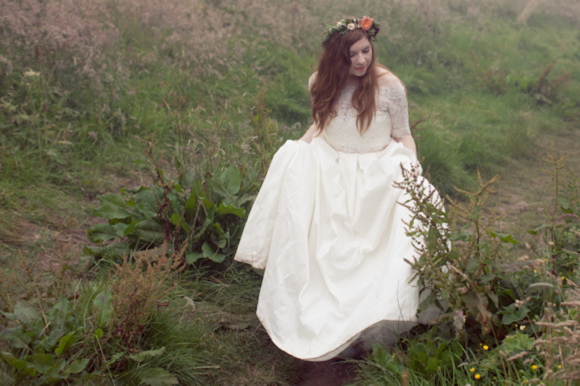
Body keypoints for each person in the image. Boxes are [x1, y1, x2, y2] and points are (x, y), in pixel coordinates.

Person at [235, 16, 437, 361]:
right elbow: (320, 124)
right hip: (330, 167)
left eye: (365, 51)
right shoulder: (320, 82)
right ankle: (312, 310)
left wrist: (412, 168)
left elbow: (402, 133)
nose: (360, 61)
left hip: (376, 170)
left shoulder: (390, 86)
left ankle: (373, 314)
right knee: (325, 244)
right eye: (351, 56)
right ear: (335, 59)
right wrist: (296, 152)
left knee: (375, 243)